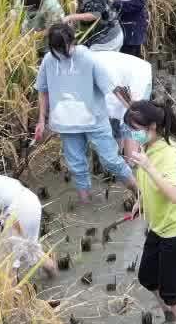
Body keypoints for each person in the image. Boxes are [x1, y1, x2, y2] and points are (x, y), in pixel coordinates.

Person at [35, 23, 136, 202]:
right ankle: (85, 203)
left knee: (111, 161)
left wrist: (133, 109)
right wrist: (41, 120)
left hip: (94, 119)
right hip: (65, 122)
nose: (62, 52)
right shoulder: (49, 61)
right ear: (52, 46)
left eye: (64, 47)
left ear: (73, 41)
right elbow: (43, 90)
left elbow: (113, 88)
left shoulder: (88, 59)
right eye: (57, 48)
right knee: (76, 165)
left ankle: (139, 192)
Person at [122, 99, 176, 324]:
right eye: (130, 129)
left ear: (152, 126)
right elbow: (150, 183)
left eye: (135, 129)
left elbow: (174, 194)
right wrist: (141, 201)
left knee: (173, 292)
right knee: (147, 277)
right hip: (159, 227)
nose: (132, 134)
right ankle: (170, 316)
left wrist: (148, 167)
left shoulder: (168, 153)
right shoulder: (148, 148)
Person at [92, 49, 152, 143]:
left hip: (137, 80)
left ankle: (133, 151)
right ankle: (121, 151)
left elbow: (116, 91)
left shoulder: (96, 68)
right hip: (120, 88)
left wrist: (130, 111)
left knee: (130, 130)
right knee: (118, 125)